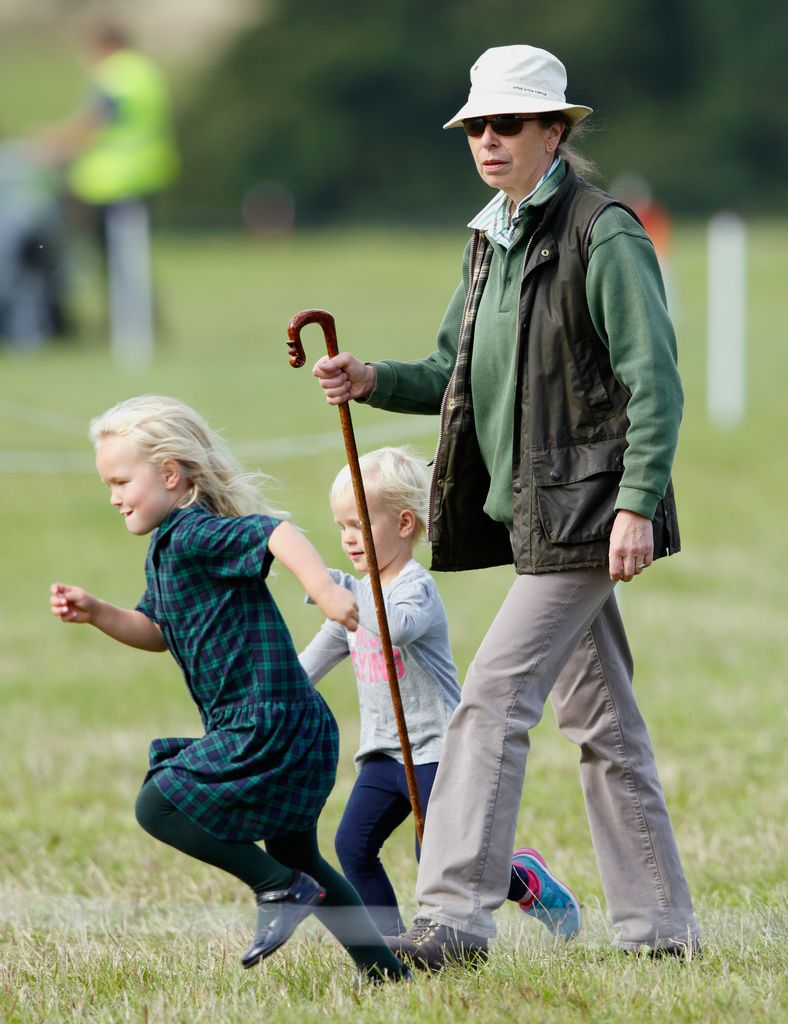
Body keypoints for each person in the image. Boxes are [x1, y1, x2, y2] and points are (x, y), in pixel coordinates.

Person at [312, 45, 700, 967]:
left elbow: (657, 383)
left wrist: (637, 504)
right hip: (538, 519)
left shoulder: (605, 231)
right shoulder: (491, 235)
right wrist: (371, 378)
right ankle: (661, 933)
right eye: (476, 126)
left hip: (587, 519)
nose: (487, 140)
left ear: (554, 131)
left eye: (508, 124)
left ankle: (452, 919)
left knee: (488, 699)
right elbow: (457, 371)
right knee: (606, 728)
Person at [49, 395, 410, 983]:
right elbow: (157, 631)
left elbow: (278, 534)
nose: (113, 496)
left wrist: (322, 589)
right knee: (299, 853)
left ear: (170, 475)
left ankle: (279, 889)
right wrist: (97, 612)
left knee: (158, 801)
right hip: (278, 721)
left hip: (268, 721)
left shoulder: (194, 534)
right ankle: (387, 973)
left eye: (121, 480)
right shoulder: (165, 550)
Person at [299, 446, 581, 940]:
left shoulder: (415, 588)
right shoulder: (353, 599)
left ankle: (524, 880)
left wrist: (343, 594)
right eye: (341, 526)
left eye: (359, 524)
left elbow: (399, 628)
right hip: (384, 754)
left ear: (404, 523)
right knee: (352, 845)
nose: (348, 538)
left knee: (438, 857)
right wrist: (275, 690)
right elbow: (312, 661)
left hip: (436, 751)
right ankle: (388, 943)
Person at [38, 23, 178, 355]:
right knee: (130, 261)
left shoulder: (117, 74)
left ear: (103, 46)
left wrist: (54, 145)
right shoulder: (145, 71)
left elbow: (95, 120)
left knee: (114, 261)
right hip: (143, 176)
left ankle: (123, 326)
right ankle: (140, 323)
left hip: (115, 182)